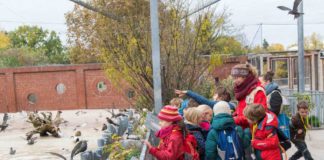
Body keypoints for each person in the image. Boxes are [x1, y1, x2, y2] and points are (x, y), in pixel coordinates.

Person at [231, 63, 268, 129]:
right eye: (234, 78)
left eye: (237, 78)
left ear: (245, 77)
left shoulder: (258, 91)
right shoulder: (243, 90)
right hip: (242, 129)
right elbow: (240, 110)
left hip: (253, 132)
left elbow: (258, 115)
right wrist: (232, 116)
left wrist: (234, 120)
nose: (235, 81)